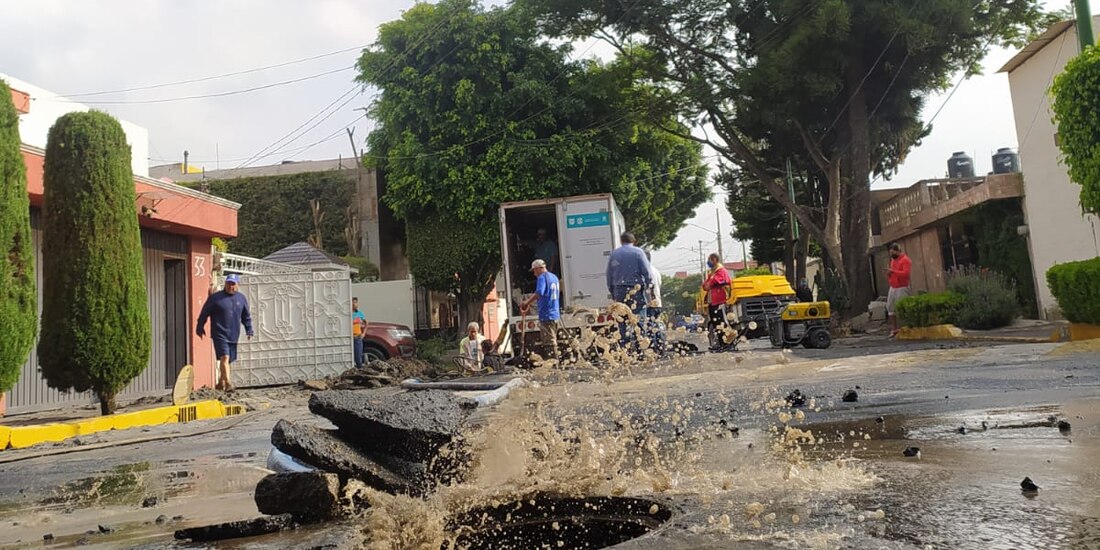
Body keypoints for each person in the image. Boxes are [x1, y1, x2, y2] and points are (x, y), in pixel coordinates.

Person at [196, 273, 253, 391]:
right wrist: (200, 326)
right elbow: (204, 312)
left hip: (233, 334)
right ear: (225, 283)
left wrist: (249, 329)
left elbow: (246, 316)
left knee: (229, 360)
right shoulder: (215, 298)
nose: (230, 286)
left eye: (233, 284)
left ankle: (220, 383)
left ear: (237, 285)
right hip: (219, 333)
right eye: (228, 283)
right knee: (225, 358)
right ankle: (228, 384)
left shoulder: (241, 298)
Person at [521, 259, 562, 363]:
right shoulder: (554, 277)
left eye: (534, 270)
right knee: (553, 339)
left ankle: (552, 363)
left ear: (539, 268)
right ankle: (555, 360)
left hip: (546, 314)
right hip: (555, 313)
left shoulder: (542, 278)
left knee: (549, 342)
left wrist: (527, 302)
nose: (534, 274)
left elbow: (539, 292)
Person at [702, 254, 732, 350]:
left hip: (720, 300)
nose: (708, 262)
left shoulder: (721, 271)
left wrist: (709, 284)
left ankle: (726, 343)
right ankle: (720, 343)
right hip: (713, 301)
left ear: (714, 259)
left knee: (721, 322)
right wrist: (708, 284)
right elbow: (705, 284)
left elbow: (715, 282)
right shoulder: (713, 272)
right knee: (716, 323)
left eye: (709, 260)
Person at [885, 243, 912, 337]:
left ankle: (907, 326)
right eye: (890, 252)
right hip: (893, 286)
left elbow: (906, 273)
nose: (892, 254)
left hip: (902, 286)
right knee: (890, 307)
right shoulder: (893, 260)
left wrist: (893, 272)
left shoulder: (906, 260)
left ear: (898, 251)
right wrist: (889, 274)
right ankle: (894, 328)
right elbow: (892, 273)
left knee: (903, 307)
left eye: (893, 252)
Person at [352, 297, 368, 368]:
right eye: (353, 302)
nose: (355, 304)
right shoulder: (347, 314)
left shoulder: (359, 313)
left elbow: (366, 323)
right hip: (349, 337)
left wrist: (363, 333)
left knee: (358, 356)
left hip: (357, 337)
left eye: (356, 302)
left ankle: (360, 368)